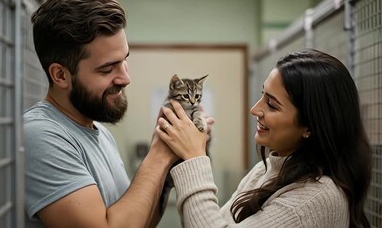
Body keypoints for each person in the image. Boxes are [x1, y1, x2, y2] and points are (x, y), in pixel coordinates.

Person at [23, 0, 205, 227]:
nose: (125, 78)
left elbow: (136, 221)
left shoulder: (101, 133)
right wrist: (160, 154)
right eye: (107, 69)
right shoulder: (39, 136)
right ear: (60, 75)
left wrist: (170, 162)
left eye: (124, 60)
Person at [156, 49, 372, 227]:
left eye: (271, 104)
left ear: (310, 125)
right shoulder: (269, 168)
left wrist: (195, 157)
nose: (254, 109)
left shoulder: (314, 200)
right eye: (262, 95)